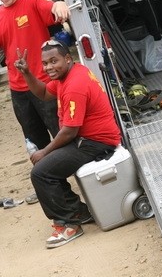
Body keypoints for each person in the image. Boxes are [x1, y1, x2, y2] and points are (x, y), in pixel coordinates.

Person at [13, 40, 121, 249]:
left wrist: (44, 151)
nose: (49, 67)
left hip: (95, 141)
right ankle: (78, 212)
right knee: (46, 166)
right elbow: (44, 93)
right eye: (45, 63)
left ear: (68, 59)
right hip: (86, 138)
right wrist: (27, 73)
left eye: (54, 61)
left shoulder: (74, 85)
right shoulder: (69, 74)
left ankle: (69, 224)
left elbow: (70, 131)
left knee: (41, 172)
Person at [0, 0, 70, 204]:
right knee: (35, 141)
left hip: (44, 85)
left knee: (61, 134)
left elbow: (53, 7)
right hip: (19, 90)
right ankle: (53, 188)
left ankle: (82, 178)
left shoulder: (32, 2)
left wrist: (60, 3)